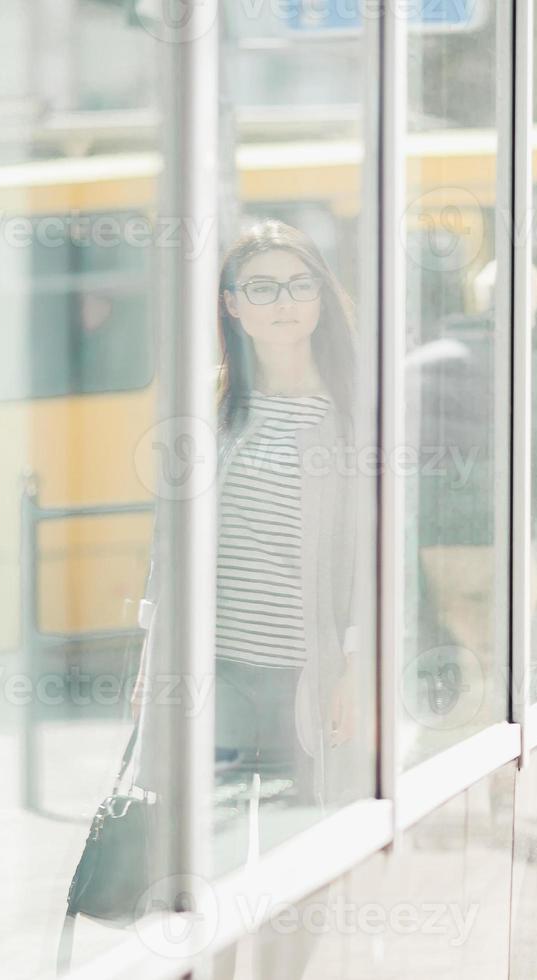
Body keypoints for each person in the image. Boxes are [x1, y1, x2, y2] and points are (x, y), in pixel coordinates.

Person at [130, 220, 366, 848]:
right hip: (215, 669)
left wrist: (357, 665)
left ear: (321, 296)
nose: (284, 301)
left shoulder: (355, 410)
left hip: (304, 673)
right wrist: (152, 661)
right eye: (261, 288)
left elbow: (375, 551)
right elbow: (169, 544)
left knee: (300, 846)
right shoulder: (212, 399)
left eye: (299, 284)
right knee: (203, 850)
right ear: (232, 304)